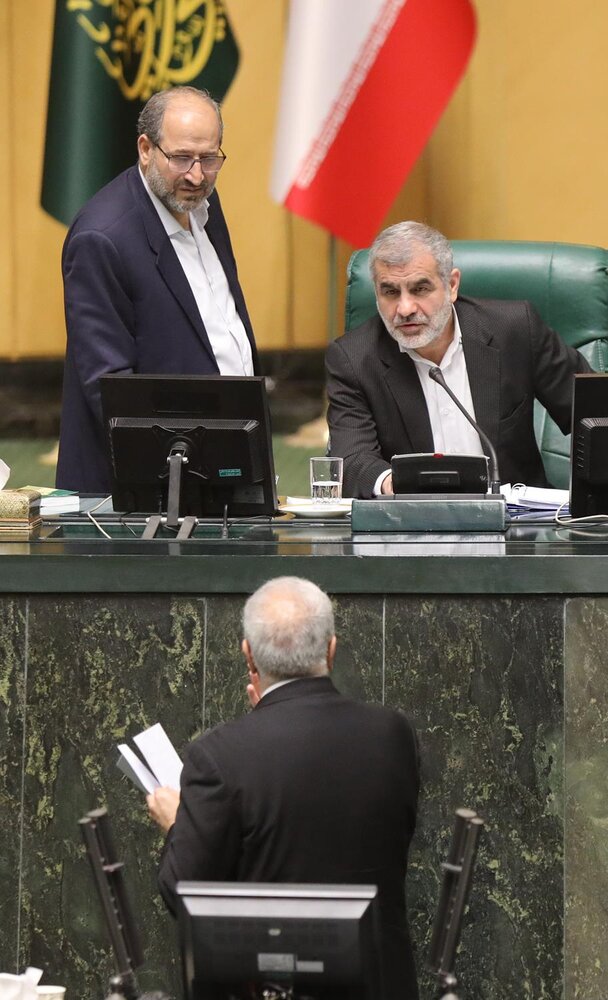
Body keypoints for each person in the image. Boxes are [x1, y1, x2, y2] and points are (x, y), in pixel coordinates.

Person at [147, 576, 420, 1000]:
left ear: (248, 655)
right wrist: (271, 719)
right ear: (331, 649)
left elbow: (183, 895)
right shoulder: (394, 736)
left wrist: (175, 825)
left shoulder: (219, 756)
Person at [56, 86, 257, 493]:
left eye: (209, 159)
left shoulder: (200, 204)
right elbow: (111, 391)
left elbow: (221, 322)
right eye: (181, 158)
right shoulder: (102, 238)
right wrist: (192, 468)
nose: (197, 175)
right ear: (146, 149)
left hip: (225, 462)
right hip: (145, 489)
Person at [326, 221, 592, 498]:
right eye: (390, 292)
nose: (404, 309)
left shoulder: (515, 330)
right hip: (412, 518)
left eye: (420, 289)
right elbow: (351, 460)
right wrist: (397, 484)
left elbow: (597, 413)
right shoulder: (352, 358)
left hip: (515, 519)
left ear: (451, 285)